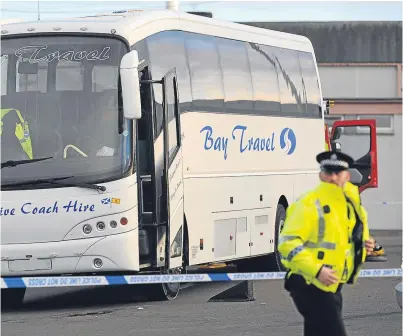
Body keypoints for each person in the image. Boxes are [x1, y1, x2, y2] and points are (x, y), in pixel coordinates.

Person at [278, 150, 375, 336]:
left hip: (331, 284)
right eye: (328, 172)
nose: (332, 177)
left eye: (337, 172)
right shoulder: (308, 203)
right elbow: (287, 243)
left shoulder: (350, 203)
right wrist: (317, 270)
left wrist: (364, 246)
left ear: (347, 175)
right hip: (309, 283)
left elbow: (343, 238)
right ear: (320, 174)